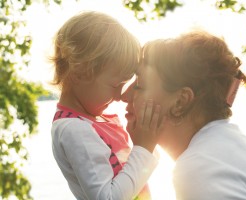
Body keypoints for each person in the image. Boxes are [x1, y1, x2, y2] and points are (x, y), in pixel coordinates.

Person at [121, 30, 246, 200]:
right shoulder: (223, 149)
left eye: (139, 84)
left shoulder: (200, 167)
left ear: (180, 101)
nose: (124, 96)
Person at [50, 11, 162, 200]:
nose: (121, 95)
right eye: (115, 85)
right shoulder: (74, 129)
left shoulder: (89, 123)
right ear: (80, 72)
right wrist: (144, 147)